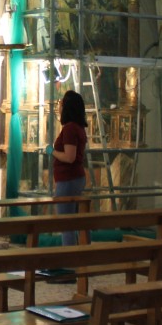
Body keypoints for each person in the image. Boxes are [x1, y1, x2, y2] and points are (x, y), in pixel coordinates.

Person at [50, 90, 88, 245]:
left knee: (66, 224)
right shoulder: (77, 127)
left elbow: (69, 157)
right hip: (74, 178)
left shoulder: (70, 128)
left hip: (68, 179)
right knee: (75, 222)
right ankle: (79, 255)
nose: (59, 107)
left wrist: (52, 151)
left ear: (67, 107)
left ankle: (69, 260)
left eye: (61, 104)